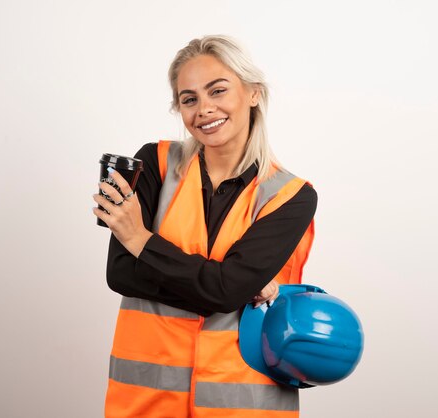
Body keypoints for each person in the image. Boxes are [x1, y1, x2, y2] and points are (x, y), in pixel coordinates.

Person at [92, 35, 317, 417]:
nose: (204, 109)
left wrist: (142, 241)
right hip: (146, 402)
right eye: (189, 98)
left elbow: (225, 290)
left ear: (253, 94)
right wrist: (226, 289)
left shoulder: (292, 197)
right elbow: (121, 274)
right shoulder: (154, 164)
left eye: (218, 90)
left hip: (244, 404)